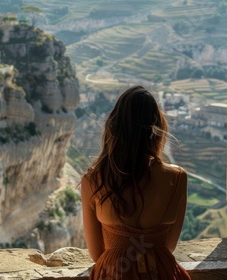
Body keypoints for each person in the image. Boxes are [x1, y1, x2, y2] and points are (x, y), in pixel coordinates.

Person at [81, 85, 191, 280]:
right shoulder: (177, 178)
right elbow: (169, 246)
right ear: (158, 128)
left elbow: (97, 254)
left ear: (113, 128)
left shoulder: (93, 180)